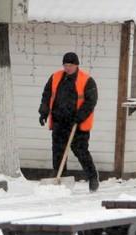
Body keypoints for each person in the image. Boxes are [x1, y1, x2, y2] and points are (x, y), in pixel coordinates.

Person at [38, 52, 99, 192]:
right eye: (65, 65)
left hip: (78, 124)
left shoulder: (87, 80)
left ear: (76, 65)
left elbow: (91, 101)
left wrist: (80, 116)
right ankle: (60, 178)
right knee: (58, 152)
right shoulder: (55, 77)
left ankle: (92, 177)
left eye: (70, 65)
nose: (67, 68)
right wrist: (43, 112)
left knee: (81, 151)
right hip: (59, 122)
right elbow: (47, 95)